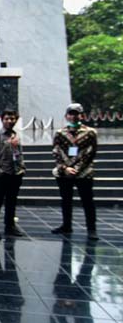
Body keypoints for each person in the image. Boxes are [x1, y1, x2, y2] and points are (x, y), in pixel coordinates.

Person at [51, 103, 99, 240]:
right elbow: (56, 151)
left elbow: (91, 152)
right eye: (71, 114)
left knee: (87, 201)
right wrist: (65, 168)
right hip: (64, 172)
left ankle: (91, 229)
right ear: (66, 116)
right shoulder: (60, 133)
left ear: (81, 115)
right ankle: (66, 225)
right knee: (66, 200)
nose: (73, 116)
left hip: (84, 173)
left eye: (76, 114)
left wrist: (77, 169)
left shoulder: (90, 133)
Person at [0, 109, 26, 238]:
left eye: (12, 118)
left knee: (11, 202)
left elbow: (19, 153)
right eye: (7, 118)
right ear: (2, 120)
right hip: (1, 174)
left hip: (15, 173)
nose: (9, 121)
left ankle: (10, 226)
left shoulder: (16, 135)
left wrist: (22, 168)